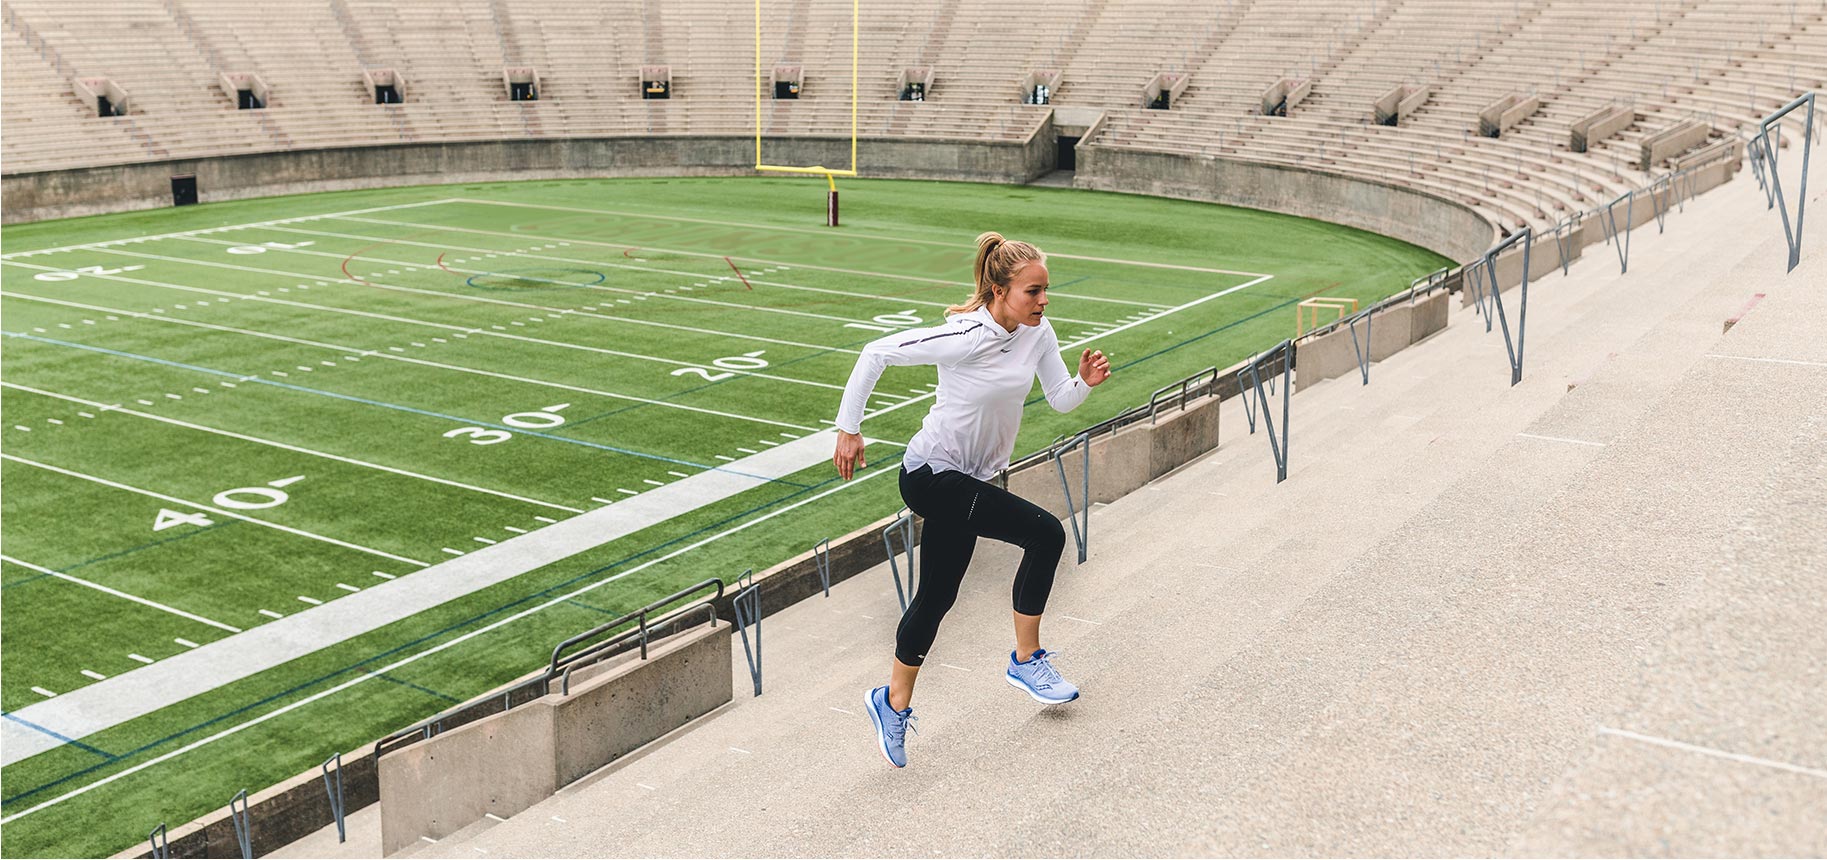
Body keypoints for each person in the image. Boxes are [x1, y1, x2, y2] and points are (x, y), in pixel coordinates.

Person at [832, 231, 1112, 768]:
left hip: (972, 482)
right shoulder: (965, 336)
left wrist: (1084, 382)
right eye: (1033, 291)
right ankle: (1027, 660)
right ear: (999, 289)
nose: (1043, 300)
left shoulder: (1038, 332)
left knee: (937, 597)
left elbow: (1059, 400)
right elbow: (875, 354)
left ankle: (891, 703)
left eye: (1045, 289)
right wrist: (849, 429)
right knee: (1046, 532)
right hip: (931, 473)